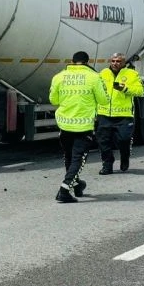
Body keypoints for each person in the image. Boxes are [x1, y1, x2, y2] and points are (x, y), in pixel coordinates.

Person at [49, 50, 109, 203]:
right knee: (78, 158)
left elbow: (53, 100)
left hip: (64, 124)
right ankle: (64, 190)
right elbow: (103, 100)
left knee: (69, 156)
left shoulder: (58, 76)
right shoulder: (94, 77)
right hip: (83, 125)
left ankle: (76, 185)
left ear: (72, 60)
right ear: (87, 62)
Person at [96, 52, 144, 173]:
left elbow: (141, 91)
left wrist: (125, 88)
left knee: (124, 140)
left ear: (123, 62)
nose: (115, 63)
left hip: (124, 116)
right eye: (113, 61)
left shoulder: (131, 74)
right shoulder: (103, 73)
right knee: (103, 141)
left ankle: (124, 157)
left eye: (118, 61)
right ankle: (107, 165)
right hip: (104, 114)